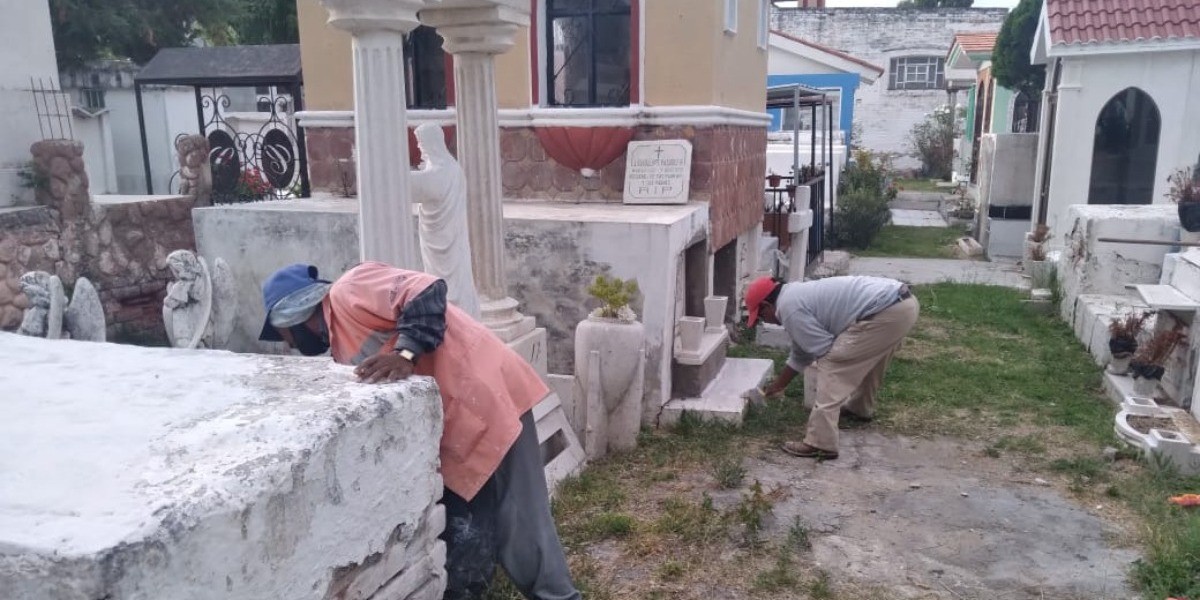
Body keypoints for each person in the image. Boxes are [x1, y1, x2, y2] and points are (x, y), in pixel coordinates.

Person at [259, 261, 580, 600]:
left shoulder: (348, 290)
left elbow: (427, 290)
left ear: (291, 317)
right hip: (461, 421)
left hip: (488, 397)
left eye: (284, 336)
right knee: (476, 530)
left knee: (523, 523)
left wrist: (406, 353)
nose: (289, 345)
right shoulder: (340, 340)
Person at [744, 275, 919, 460]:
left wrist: (781, 384)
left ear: (766, 305)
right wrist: (779, 385)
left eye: (762, 316)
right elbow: (802, 351)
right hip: (903, 305)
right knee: (865, 356)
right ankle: (860, 408)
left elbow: (822, 349)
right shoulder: (793, 296)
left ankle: (820, 442)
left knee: (834, 361)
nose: (766, 321)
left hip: (886, 311)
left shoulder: (788, 309)